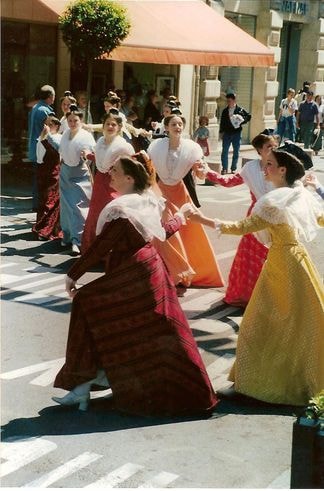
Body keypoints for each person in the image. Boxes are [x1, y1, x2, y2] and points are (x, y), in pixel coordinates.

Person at [52, 155, 218, 416]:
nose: (110, 175)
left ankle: (84, 385)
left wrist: (72, 275)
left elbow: (101, 246)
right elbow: (163, 231)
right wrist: (183, 216)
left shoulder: (125, 209)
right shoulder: (144, 201)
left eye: (115, 171)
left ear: (129, 178)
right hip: (147, 270)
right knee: (145, 330)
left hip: (133, 272)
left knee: (90, 307)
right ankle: (85, 385)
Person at [188, 148, 324, 406]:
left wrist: (200, 218)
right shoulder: (299, 195)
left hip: (283, 265)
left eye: (270, 164)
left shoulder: (274, 202)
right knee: (299, 324)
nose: (264, 168)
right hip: (298, 262)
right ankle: (284, 380)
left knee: (258, 325)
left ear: (282, 170)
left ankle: (257, 384)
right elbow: (321, 219)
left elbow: (242, 228)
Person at [148, 114, 224, 288]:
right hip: (160, 192)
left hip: (180, 193)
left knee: (188, 234)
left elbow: (199, 171)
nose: (178, 127)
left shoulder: (192, 148)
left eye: (180, 124)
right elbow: (149, 168)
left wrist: (202, 170)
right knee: (164, 233)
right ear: (166, 127)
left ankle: (188, 272)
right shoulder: (156, 146)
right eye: (174, 124)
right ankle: (171, 271)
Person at [205, 133, 277, 306]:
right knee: (252, 260)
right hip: (255, 218)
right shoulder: (250, 168)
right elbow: (229, 181)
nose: (274, 149)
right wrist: (208, 173)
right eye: (269, 147)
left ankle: (273, 298)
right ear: (260, 150)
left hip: (278, 219)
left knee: (275, 259)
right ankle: (249, 296)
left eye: (275, 146)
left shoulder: (281, 166)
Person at [81, 111, 134, 253]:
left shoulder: (123, 146)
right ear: (103, 126)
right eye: (107, 124)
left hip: (114, 182)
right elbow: (100, 160)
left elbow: (131, 164)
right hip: (99, 182)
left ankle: (111, 251)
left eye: (113, 124)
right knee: (96, 213)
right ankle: (92, 249)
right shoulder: (100, 142)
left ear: (119, 127)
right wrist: (88, 155)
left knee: (113, 212)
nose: (110, 126)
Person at [47, 105, 96, 255]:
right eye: (70, 120)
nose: (72, 123)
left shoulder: (86, 136)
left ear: (80, 120)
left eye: (75, 120)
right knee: (66, 206)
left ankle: (78, 240)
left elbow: (92, 152)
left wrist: (86, 155)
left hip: (79, 173)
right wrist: (49, 135)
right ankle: (67, 236)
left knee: (78, 207)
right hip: (65, 171)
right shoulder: (66, 132)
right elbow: (60, 147)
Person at [32, 115, 63, 241]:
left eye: (50, 124)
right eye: (46, 124)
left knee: (50, 201)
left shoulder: (59, 138)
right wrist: (42, 138)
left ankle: (49, 229)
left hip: (54, 172)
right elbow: (39, 158)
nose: (47, 127)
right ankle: (42, 226)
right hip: (44, 172)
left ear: (56, 126)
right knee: (44, 199)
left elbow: (61, 152)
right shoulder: (42, 138)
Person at [28, 84, 56, 211]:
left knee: (36, 178)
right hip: (43, 149)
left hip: (34, 147)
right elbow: (52, 131)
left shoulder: (35, 108)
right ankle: (41, 205)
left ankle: (36, 204)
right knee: (43, 178)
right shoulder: (46, 111)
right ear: (50, 96)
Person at [219, 92, 251, 175]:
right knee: (225, 151)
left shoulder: (239, 110)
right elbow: (222, 122)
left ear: (234, 100)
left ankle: (233, 168)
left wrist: (241, 120)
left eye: (229, 101)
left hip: (236, 133)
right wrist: (221, 133)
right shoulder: (225, 111)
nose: (228, 103)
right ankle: (224, 168)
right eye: (227, 101)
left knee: (236, 151)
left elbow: (248, 116)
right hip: (227, 133)